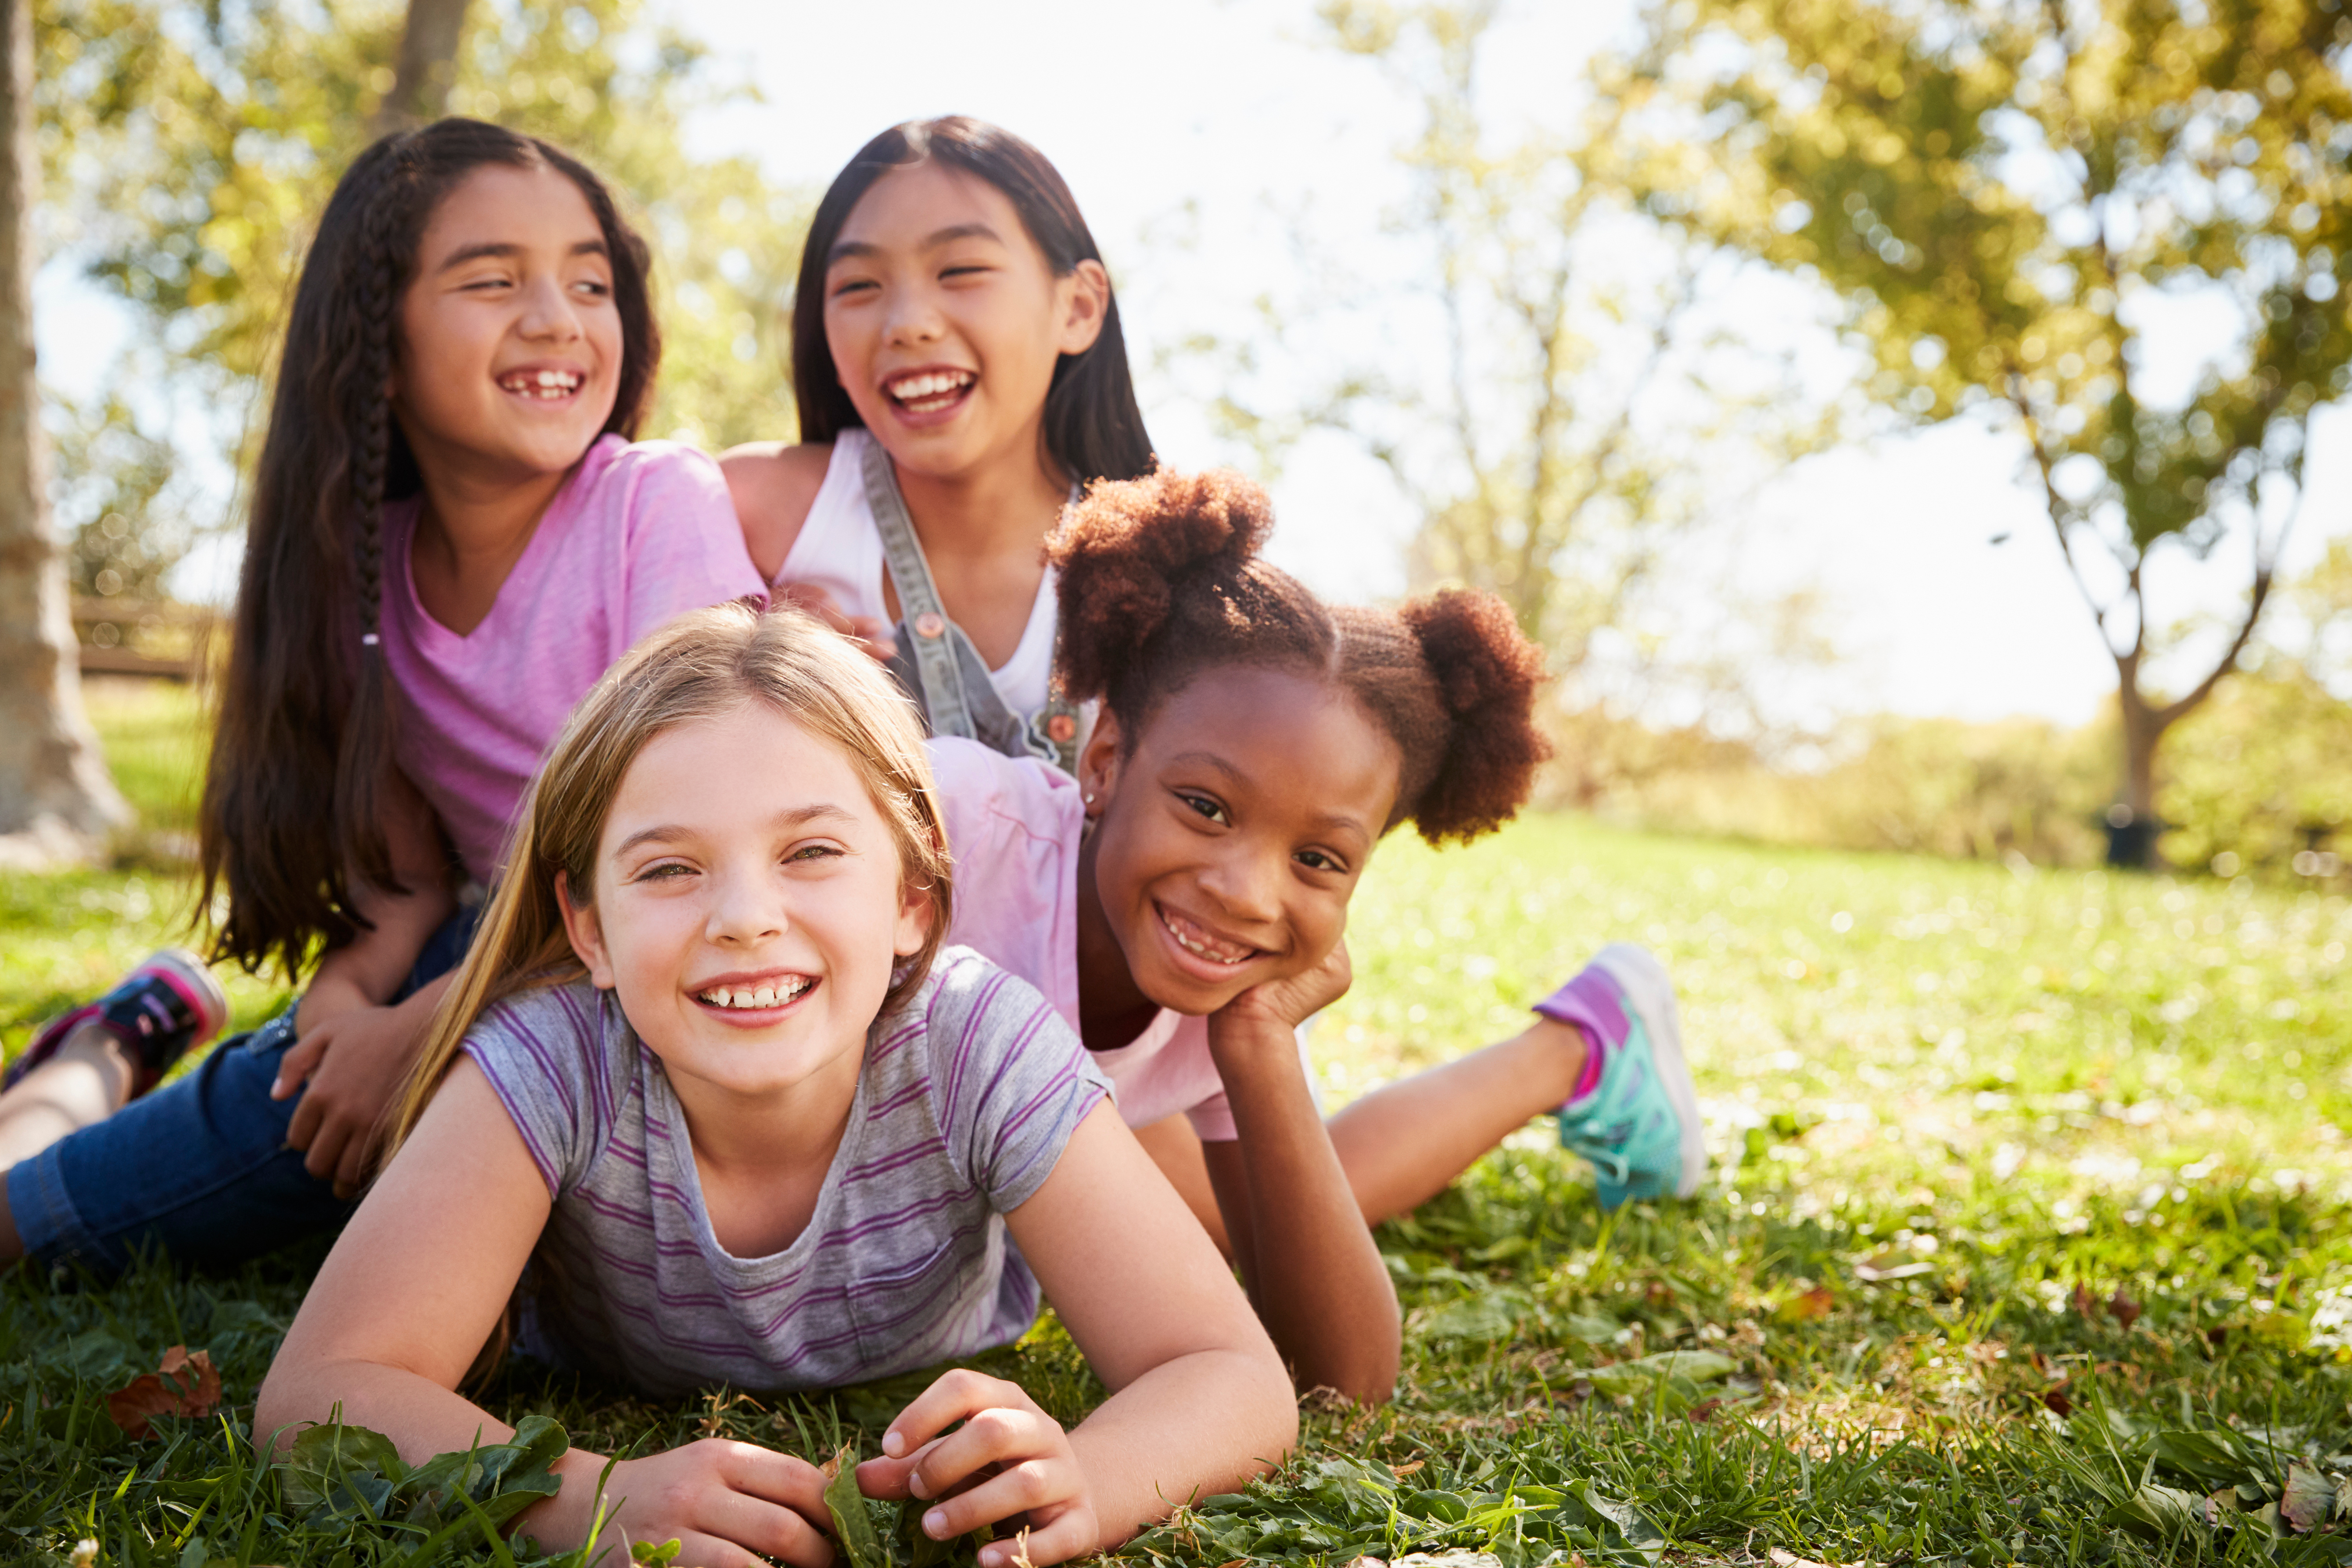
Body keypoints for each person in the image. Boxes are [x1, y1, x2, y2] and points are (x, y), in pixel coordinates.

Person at [255, 606, 1297, 1568]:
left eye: (810, 851)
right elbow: (318, 1395)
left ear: (912, 900)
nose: (745, 916)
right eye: (669, 868)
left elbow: (1231, 1372)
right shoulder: (553, 1062)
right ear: (587, 926)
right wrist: (583, 1496)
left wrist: (1088, 1480)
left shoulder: (977, 1040)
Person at [0, 119, 768, 1273]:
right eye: (493, 278)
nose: (558, 315)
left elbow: (706, 844)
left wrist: (421, 1029)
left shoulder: (654, 504)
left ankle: (128, 1035)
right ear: (382, 340)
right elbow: (403, 877)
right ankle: (118, 1035)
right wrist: (348, 1011)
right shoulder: (363, 568)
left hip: (651, 961)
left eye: (590, 281)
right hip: (482, 959)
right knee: (39, 1217)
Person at [929, 469, 1707, 1404]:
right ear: (1104, 757)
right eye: (1206, 806)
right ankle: (1580, 1037)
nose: (1246, 893)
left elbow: (1340, 1381)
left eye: (1318, 859)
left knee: (1222, 1218)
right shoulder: (950, 830)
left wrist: (1259, 1047)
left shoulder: (1220, 995)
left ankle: (1583, 1039)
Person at [724, 116, 1154, 770]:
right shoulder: (745, 512)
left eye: (960, 269)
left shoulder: (1170, 585)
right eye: (859, 286)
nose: (907, 324)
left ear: (1078, 308)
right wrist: (745, 652)